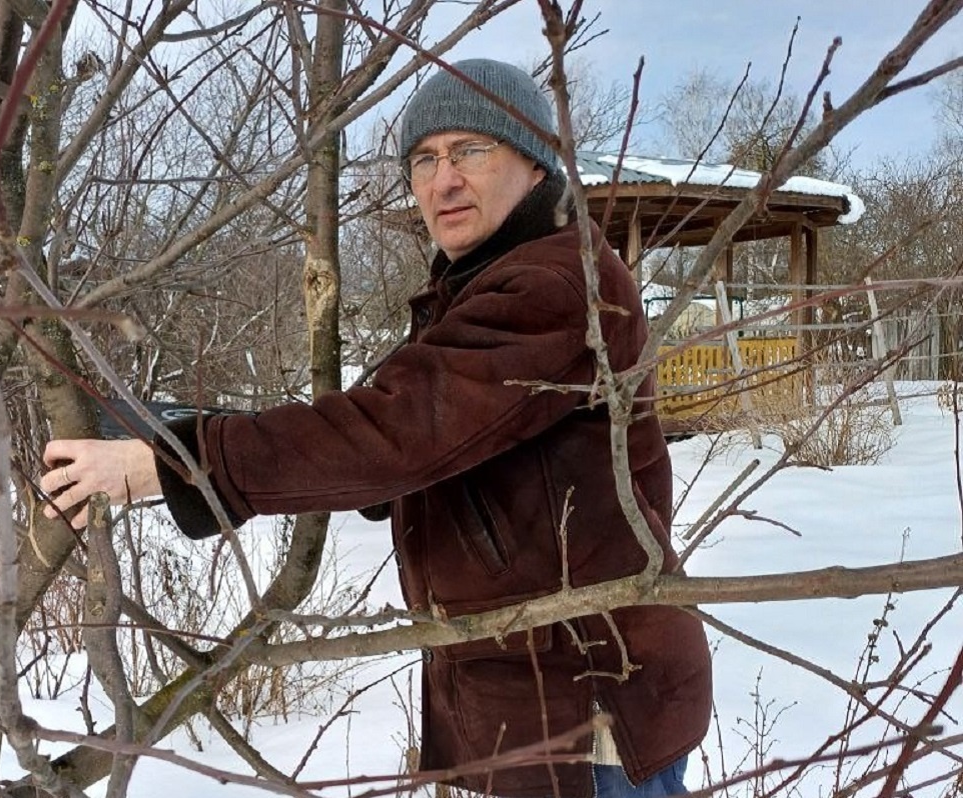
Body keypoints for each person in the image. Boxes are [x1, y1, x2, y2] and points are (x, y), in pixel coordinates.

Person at [42, 59, 712, 798]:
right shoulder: (478, 286)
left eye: (470, 150)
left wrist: (175, 463)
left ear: (533, 164)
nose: (441, 180)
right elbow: (421, 433)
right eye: (423, 159)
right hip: (528, 687)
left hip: (585, 698)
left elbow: (396, 433)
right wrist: (192, 431)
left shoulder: (552, 283)